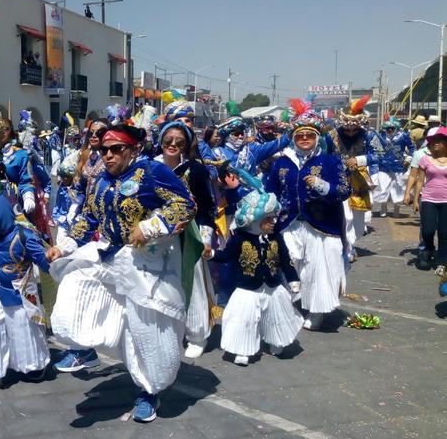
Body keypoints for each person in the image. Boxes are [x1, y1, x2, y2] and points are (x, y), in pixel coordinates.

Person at [46, 124, 196, 423]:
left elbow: (185, 205)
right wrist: (63, 246)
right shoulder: (100, 180)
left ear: (133, 149)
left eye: (117, 149)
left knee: (144, 329)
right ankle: (83, 348)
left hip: (148, 263)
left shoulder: (152, 172)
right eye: (104, 150)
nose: (109, 155)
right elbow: (88, 219)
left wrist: (150, 227)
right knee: (75, 275)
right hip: (110, 254)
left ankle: (149, 390)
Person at [265, 102, 351, 330]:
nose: (304, 138)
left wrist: (322, 185)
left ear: (316, 138)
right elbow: (270, 190)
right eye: (300, 135)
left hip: (322, 224)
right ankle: (288, 307)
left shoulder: (331, 161)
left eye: (309, 135)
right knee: (288, 264)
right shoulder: (282, 162)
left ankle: (317, 311)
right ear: (293, 138)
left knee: (318, 268)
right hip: (289, 223)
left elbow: (343, 191)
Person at [208, 178, 303, 365]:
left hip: (273, 286)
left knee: (277, 315)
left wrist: (293, 278)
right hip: (248, 288)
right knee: (244, 319)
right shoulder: (239, 240)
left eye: (273, 218)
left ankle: (277, 341)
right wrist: (210, 253)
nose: (273, 223)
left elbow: (285, 260)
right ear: (255, 221)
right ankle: (242, 349)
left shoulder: (276, 238)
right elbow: (226, 256)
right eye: (268, 219)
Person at [0, 195, 52, 393]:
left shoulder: (24, 235)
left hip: (19, 292)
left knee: (23, 330)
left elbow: (45, 262)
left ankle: (33, 366)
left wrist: (61, 263)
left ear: (4, 217)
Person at [51, 118, 109, 373]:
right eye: (92, 132)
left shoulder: (122, 164)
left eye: (101, 132)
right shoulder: (84, 157)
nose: (94, 136)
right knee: (76, 286)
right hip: (87, 226)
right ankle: (83, 349)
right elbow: (78, 191)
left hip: (113, 236)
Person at [155, 121, 217, 359]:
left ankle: (196, 334)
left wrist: (205, 238)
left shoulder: (196, 170)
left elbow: (207, 208)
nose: (173, 145)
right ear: (160, 142)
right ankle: (167, 329)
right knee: (160, 285)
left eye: (179, 141)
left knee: (193, 283)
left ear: (186, 144)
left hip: (188, 235)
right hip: (155, 236)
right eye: (168, 140)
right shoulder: (148, 167)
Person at [328, 96, 383, 260]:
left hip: (359, 181)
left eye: (354, 129)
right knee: (346, 217)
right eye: (347, 129)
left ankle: (351, 242)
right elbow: (324, 155)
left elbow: (379, 154)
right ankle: (347, 248)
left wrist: (360, 160)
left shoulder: (369, 135)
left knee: (358, 221)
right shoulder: (331, 136)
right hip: (338, 179)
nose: (351, 132)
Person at [411, 127, 447, 277]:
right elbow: (419, 181)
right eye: (432, 142)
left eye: (439, 141)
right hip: (429, 199)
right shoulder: (425, 159)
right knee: (428, 230)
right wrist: (415, 199)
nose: (435, 144)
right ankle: (428, 249)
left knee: (445, 232)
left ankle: (442, 261)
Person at [374, 118, 414, 217]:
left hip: (399, 166)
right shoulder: (380, 136)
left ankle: (397, 210)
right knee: (383, 188)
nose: (390, 130)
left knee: (399, 189)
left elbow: (412, 148)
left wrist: (408, 159)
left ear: (396, 128)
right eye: (387, 128)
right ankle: (383, 209)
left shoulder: (403, 136)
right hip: (384, 167)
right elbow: (374, 150)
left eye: (392, 128)